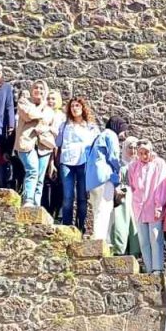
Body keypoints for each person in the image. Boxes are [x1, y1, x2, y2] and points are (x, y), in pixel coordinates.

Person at [56, 97, 100, 231]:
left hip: (84, 162)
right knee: (68, 196)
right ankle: (67, 226)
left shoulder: (91, 127)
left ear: (83, 108)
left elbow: (97, 145)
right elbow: (57, 144)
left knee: (82, 196)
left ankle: (80, 227)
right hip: (67, 162)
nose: (74, 108)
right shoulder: (64, 126)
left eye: (77, 106)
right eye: (72, 106)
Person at [128, 140, 166, 273]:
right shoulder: (134, 166)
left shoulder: (159, 164)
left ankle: (157, 268)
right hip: (139, 206)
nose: (144, 156)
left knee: (155, 237)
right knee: (143, 240)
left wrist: (159, 205)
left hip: (153, 206)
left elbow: (161, 185)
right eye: (140, 153)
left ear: (151, 151)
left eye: (146, 153)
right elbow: (132, 186)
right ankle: (149, 268)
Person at [85, 115, 127, 242]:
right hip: (104, 177)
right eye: (123, 129)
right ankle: (100, 240)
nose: (124, 134)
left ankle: (97, 237)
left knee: (97, 209)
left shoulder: (100, 136)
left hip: (92, 180)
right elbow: (113, 156)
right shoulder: (111, 135)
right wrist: (118, 172)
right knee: (104, 208)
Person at [15, 81, 56, 208]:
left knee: (40, 178)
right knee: (32, 170)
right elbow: (29, 115)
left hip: (44, 146)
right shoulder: (24, 102)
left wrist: (45, 129)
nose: (39, 90)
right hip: (27, 142)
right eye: (36, 88)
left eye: (41, 88)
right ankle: (28, 200)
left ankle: (36, 205)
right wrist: (42, 105)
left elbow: (54, 129)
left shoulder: (50, 110)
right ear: (32, 90)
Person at [108, 136, 142, 258]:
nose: (133, 151)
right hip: (124, 197)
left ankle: (134, 252)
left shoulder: (139, 165)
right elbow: (116, 180)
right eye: (130, 147)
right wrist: (120, 190)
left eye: (135, 148)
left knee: (134, 226)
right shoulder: (119, 163)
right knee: (121, 223)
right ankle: (119, 250)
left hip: (137, 198)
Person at [40, 90, 67, 214]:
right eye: (48, 98)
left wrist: (51, 129)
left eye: (53, 99)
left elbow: (61, 134)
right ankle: (45, 209)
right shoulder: (43, 113)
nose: (50, 101)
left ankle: (57, 211)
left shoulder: (62, 116)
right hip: (44, 148)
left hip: (58, 151)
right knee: (45, 180)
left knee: (58, 181)